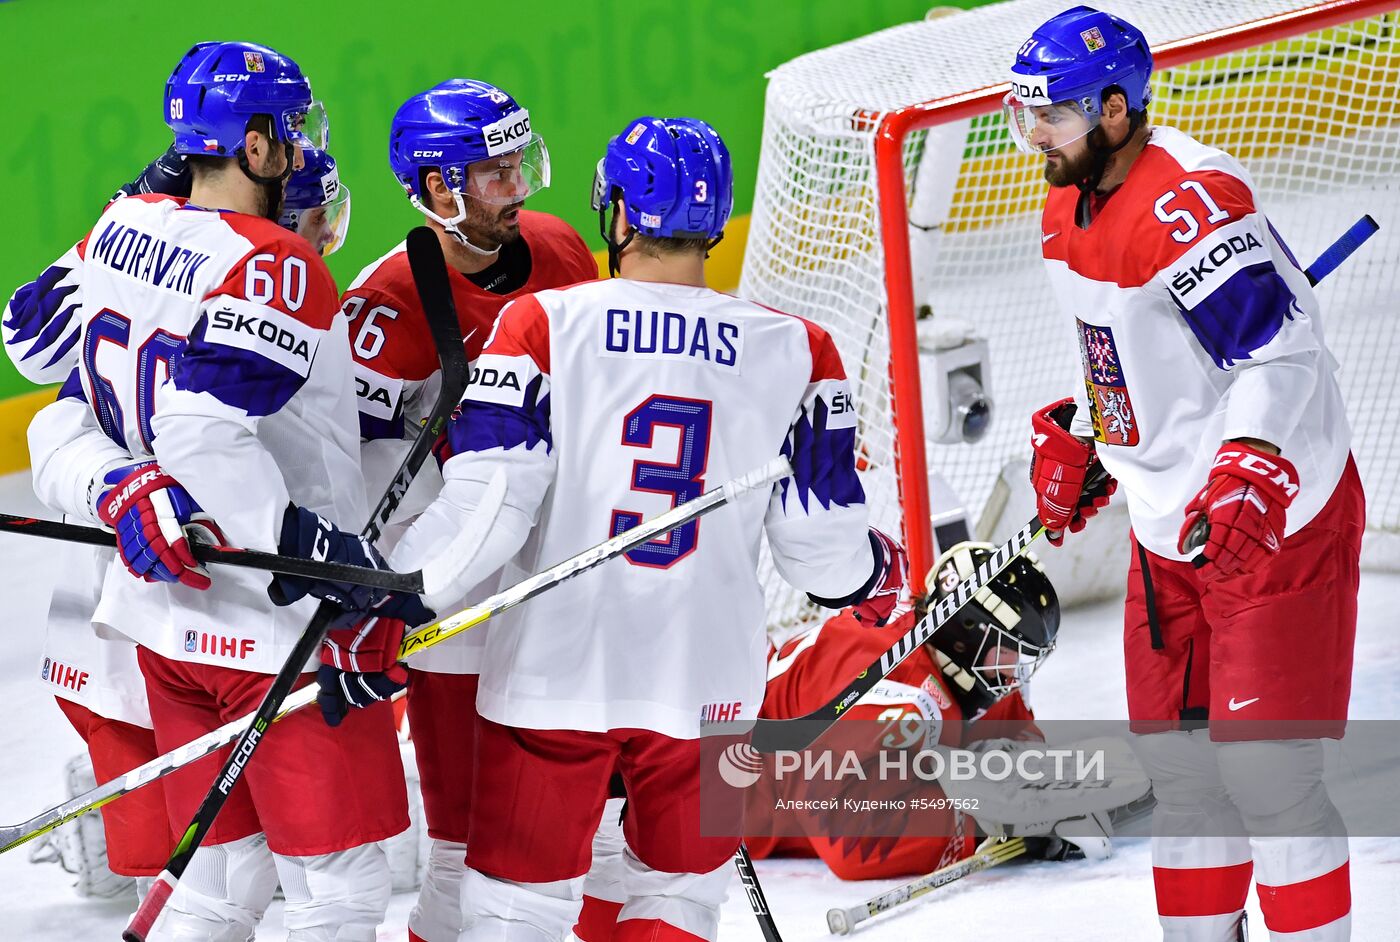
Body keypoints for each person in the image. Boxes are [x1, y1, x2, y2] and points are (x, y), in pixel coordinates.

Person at [366, 115, 906, 942]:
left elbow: (488, 509)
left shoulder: (542, 323)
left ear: (618, 214)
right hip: (707, 683)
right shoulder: (802, 348)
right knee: (677, 902)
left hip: (556, 670)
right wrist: (878, 572)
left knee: (513, 909)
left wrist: (387, 595)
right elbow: (820, 557)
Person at [25, 40, 416, 940]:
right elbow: (200, 431)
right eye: (285, 129)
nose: (295, 144)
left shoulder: (122, 222)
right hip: (274, 623)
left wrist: (122, 483)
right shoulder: (275, 260)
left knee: (217, 878)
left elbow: (33, 346)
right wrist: (317, 560)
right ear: (251, 143)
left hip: (160, 618)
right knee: (341, 887)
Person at [1007, 7, 1361, 940]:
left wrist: (1251, 464)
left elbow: (1281, 357)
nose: (1034, 137)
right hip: (1170, 530)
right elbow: (1121, 356)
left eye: (1054, 117)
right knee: (1188, 783)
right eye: (1026, 114)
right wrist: (1090, 436)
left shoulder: (1190, 207)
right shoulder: (1062, 208)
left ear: (1117, 110)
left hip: (1274, 522)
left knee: (1272, 784)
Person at [336, 77, 596, 942]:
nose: (519, 189)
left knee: (552, 838)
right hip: (452, 596)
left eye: (520, 164)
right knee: (457, 849)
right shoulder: (384, 309)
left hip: (550, 580)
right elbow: (360, 484)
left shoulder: (562, 251)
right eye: (494, 174)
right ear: (438, 186)